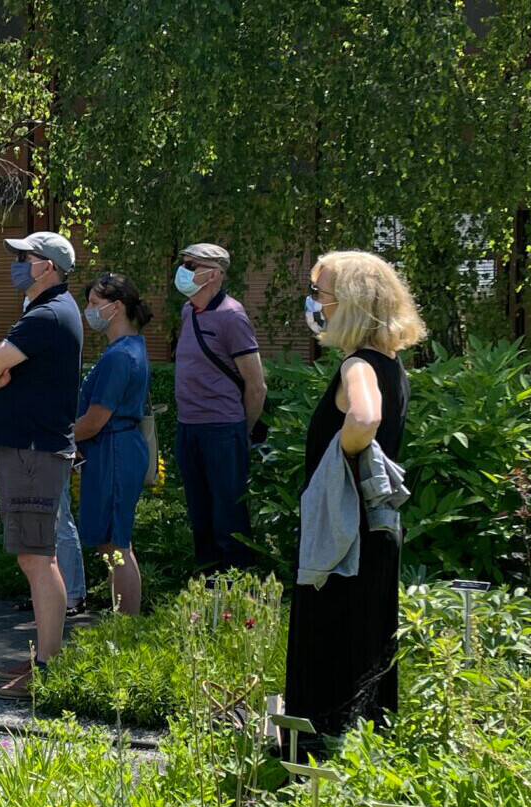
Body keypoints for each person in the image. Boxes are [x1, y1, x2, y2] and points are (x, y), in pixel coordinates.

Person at [283, 249, 421, 743]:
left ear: (352, 304)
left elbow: (365, 418)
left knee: (328, 643)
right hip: (374, 529)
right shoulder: (392, 364)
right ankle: (363, 756)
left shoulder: (358, 366)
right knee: (365, 645)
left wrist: (337, 459)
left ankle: (314, 760)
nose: (314, 304)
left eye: (321, 294)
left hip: (345, 534)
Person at [0, 231, 85, 700]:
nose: (17, 264)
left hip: (34, 452)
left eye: (25, 257)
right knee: (34, 555)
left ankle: (47, 667)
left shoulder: (48, 315)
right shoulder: (47, 313)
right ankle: (42, 656)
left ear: (48, 267)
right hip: (29, 450)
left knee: (39, 558)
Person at [171, 242, 267, 574]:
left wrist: (240, 431)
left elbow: (256, 385)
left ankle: (238, 589)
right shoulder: (189, 311)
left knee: (229, 516)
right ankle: (208, 587)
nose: (183, 270)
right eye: (183, 263)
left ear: (215, 274)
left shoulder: (232, 316)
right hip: (188, 428)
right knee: (200, 514)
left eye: (191, 264)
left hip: (223, 430)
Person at [75, 273, 153, 617]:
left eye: (94, 303)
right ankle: (123, 620)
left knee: (115, 545)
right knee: (113, 543)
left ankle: (127, 624)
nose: (87, 310)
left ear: (116, 307)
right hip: (113, 450)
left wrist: (60, 437)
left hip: (115, 452)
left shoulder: (120, 355)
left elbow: (95, 419)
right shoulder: (126, 349)